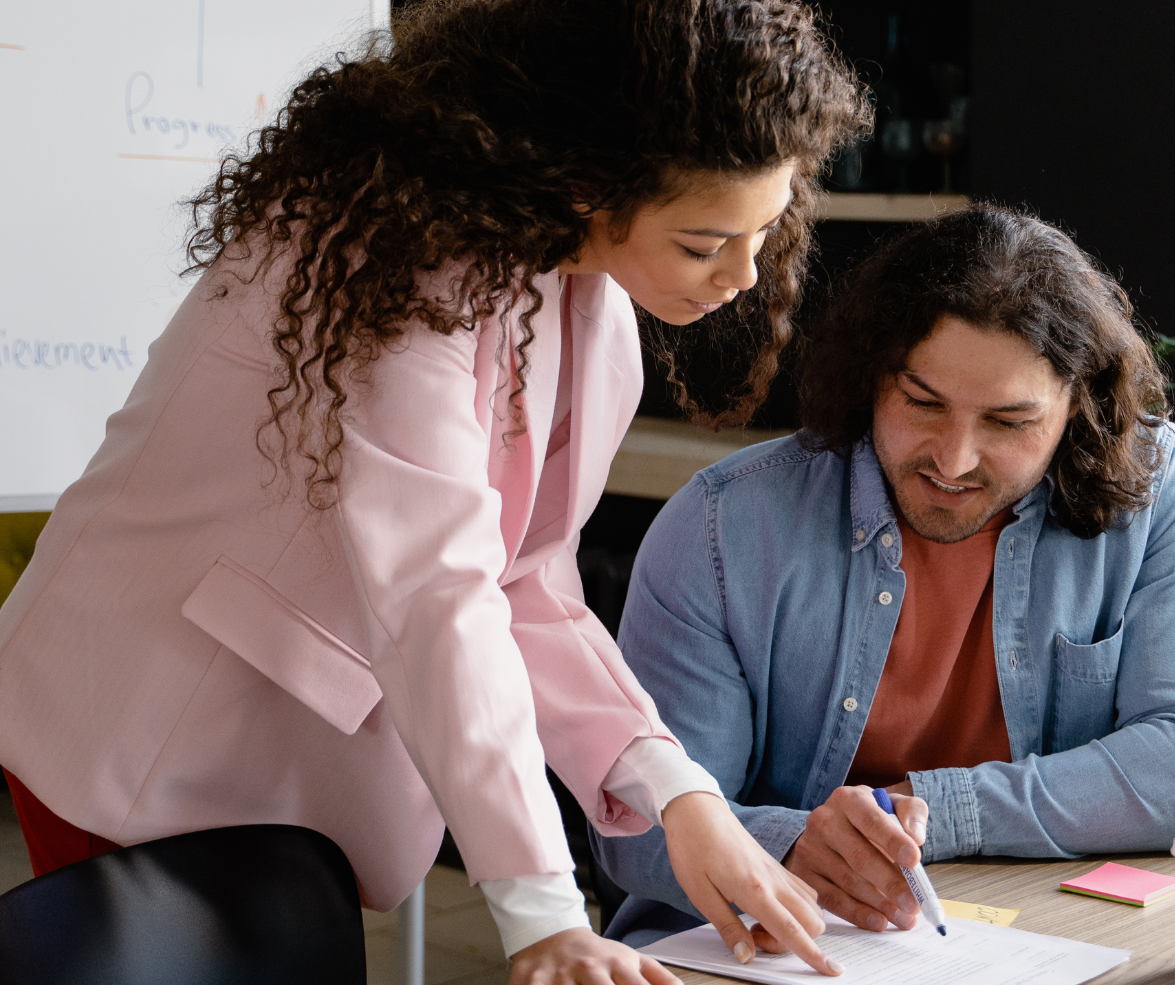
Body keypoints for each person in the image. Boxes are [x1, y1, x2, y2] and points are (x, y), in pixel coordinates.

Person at [0, 0, 869, 980]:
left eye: (764, 228)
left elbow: (525, 582)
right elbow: (438, 594)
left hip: (290, 755)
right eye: (705, 242)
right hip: (149, 721)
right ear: (586, 183)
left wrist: (679, 795)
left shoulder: (585, 302)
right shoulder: (382, 269)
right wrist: (542, 909)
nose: (742, 278)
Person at [592, 204, 1175, 948]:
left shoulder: (1153, 498)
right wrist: (798, 845)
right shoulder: (719, 528)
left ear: (1077, 409)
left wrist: (935, 808)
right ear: (870, 376)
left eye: (1008, 422)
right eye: (921, 402)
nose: (953, 458)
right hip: (751, 949)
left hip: (1035, 936)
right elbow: (635, 830)